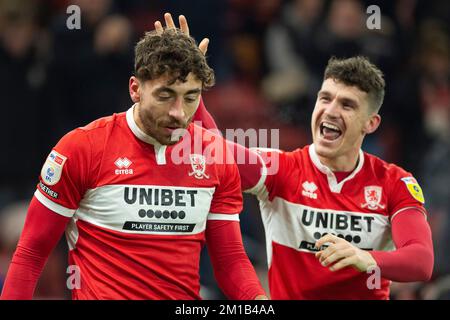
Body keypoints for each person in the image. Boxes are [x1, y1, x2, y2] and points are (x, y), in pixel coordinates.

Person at [162, 14, 435, 299]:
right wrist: (186, 87)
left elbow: (421, 261)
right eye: (325, 98)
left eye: (347, 105)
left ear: (371, 123)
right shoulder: (281, 170)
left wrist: (366, 258)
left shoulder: (394, 182)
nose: (330, 111)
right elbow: (212, 150)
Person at [0, 17, 267, 300]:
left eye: (191, 97)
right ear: (135, 89)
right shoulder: (82, 148)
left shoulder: (214, 156)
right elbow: (31, 255)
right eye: (165, 95)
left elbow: (231, 262)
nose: (179, 112)